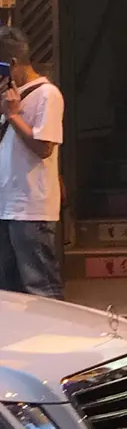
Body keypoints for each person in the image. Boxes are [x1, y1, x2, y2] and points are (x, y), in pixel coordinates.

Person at [0, 27, 65, 299]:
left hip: (31, 210)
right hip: (7, 207)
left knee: (41, 290)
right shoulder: (9, 96)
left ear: (12, 63)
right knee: (11, 293)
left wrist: (14, 116)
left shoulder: (48, 94)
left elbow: (44, 147)